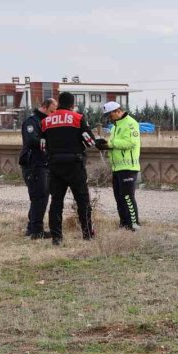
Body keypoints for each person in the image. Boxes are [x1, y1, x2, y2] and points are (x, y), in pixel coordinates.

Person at [40, 91, 97, 246]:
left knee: (56, 202)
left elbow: (42, 145)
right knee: (82, 201)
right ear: (72, 104)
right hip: (75, 166)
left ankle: (57, 237)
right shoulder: (78, 118)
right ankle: (87, 234)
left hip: (55, 166)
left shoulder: (47, 121)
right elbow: (90, 142)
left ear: (58, 103)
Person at [95, 101, 141, 231]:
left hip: (128, 167)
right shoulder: (115, 127)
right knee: (119, 198)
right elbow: (115, 145)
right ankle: (124, 224)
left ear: (117, 111)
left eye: (110, 115)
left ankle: (134, 224)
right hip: (117, 167)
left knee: (128, 197)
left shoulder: (131, 123)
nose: (109, 118)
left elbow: (130, 142)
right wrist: (104, 145)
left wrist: (109, 144)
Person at [19, 98, 57, 239]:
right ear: (45, 107)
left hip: (43, 164)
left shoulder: (46, 122)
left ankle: (33, 228)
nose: (53, 114)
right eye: (52, 111)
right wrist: (49, 142)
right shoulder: (32, 121)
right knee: (39, 197)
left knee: (42, 197)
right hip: (33, 164)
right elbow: (31, 140)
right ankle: (36, 231)